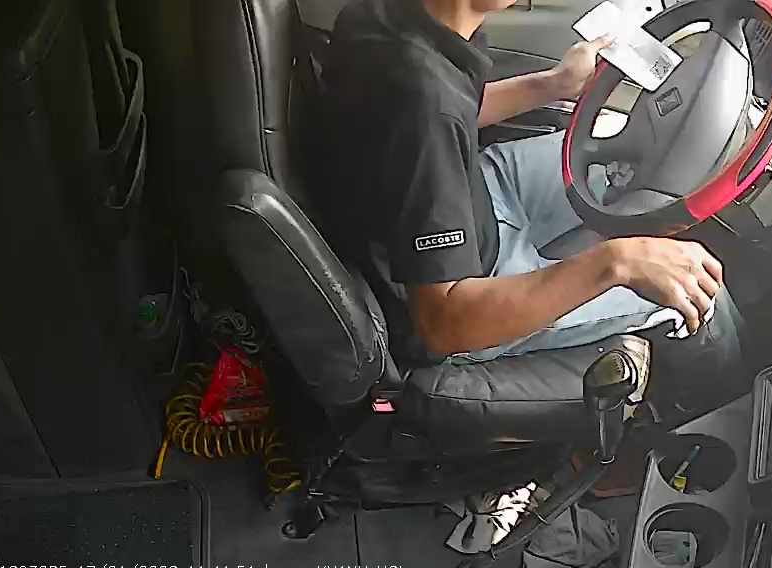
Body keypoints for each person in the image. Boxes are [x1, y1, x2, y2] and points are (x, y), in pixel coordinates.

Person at [318, 0, 747, 408]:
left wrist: (551, 85)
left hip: (474, 187)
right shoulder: (422, 103)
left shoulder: (394, 20)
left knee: (620, 155)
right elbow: (442, 323)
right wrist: (617, 262)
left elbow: (448, 109)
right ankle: (727, 404)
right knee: (696, 292)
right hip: (464, 290)